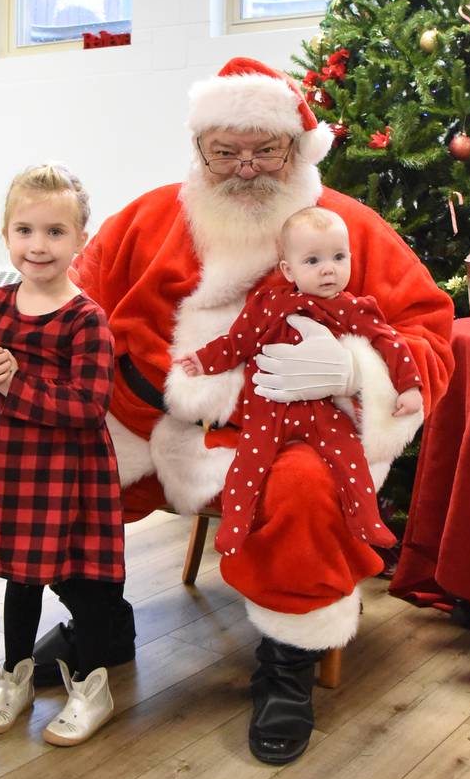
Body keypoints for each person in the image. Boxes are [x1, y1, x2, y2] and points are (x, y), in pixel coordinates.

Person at [41, 57, 455, 765]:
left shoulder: (346, 226)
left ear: (299, 148)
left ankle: (288, 663)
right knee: (46, 467)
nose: (245, 169)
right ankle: (101, 622)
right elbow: (68, 309)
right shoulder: (146, 218)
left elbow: (429, 329)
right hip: (150, 417)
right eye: (224, 151)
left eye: (266, 150)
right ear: (198, 150)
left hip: (296, 426)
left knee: (301, 487)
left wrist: (356, 368)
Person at [0, 163, 125, 747]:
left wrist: (10, 385)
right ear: (6, 235)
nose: (38, 245)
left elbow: (86, 406)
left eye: (55, 232)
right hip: (7, 471)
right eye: (25, 230)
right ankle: (17, 675)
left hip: (70, 480)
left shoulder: (86, 319)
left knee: (89, 584)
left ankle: (92, 686)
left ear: (80, 239)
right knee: (19, 581)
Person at [176, 204, 423, 559]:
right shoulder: (267, 303)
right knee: (249, 461)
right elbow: (237, 342)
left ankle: (366, 518)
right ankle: (234, 523)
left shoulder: (354, 309)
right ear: (288, 270)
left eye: (339, 257)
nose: (328, 269)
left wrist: (410, 387)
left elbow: (391, 343)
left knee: (349, 453)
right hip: (268, 404)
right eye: (313, 261)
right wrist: (202, 360)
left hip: (320, 407)